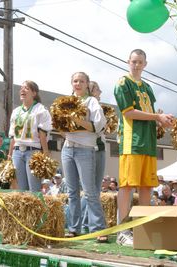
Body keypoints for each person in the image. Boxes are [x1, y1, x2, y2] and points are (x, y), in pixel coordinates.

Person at [113, 49, 173, 246]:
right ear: (128, 62)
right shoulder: (123, 82)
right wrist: (157, 117)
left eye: (140, 62)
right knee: (127, 185)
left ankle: (142, 228)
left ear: (145, 64)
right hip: (132, 142)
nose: (136, 65)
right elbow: (129, 113)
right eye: (133, 61)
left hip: (148, 142)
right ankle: (122, 229)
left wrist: (161, 121)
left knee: (146, 186)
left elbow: (150, 112)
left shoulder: (147, 87)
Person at [62, 72, 108, 243]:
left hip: (86, 149)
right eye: (75, 81)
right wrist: (62, 125)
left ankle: (98, 229)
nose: (78, 84)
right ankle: (74, 228)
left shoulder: (92, 102)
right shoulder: (65, 102)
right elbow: (60, 128)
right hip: (67, 148)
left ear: (87, 84)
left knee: (90, 192)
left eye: (82, 81)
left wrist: (76, 120)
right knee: (72, 191)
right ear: (71, 83)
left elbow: (98, 126)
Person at [8, 80, 52, 192]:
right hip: (17, 152)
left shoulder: (40, 109)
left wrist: (45, 153)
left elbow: (42, 133)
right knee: (21, 190)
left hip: (33, 152)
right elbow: (13, 136)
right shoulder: (16, 111)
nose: (22, 90)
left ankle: (37, 210)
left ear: (34, 93)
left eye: (27, 88)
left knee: (34, 189)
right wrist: (9, 155)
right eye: (21, 88)